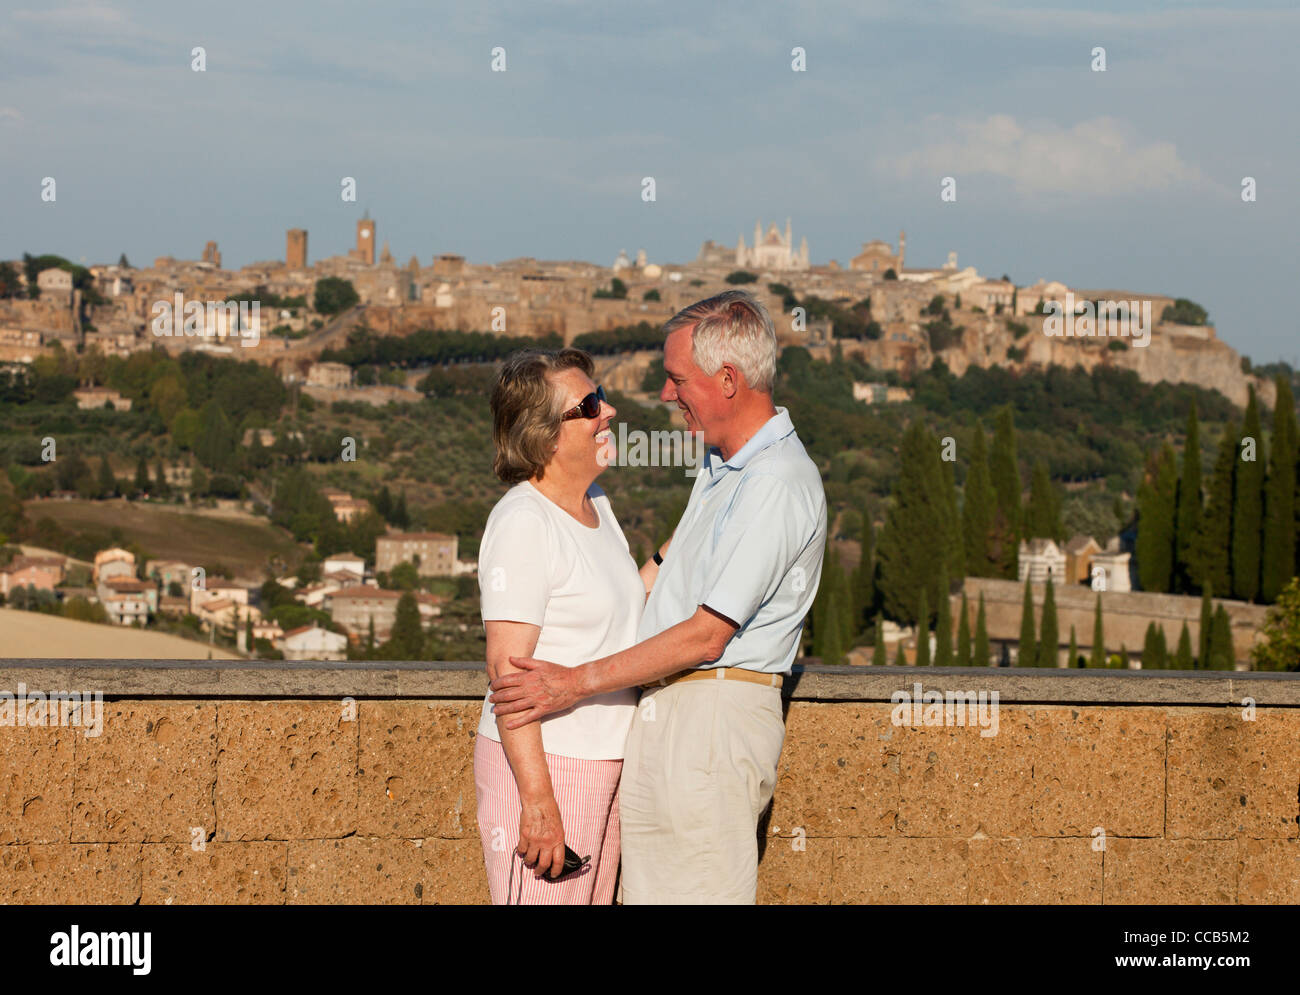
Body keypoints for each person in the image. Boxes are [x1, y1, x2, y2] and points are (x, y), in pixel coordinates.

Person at [489, 289, 827, 903]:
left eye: (676, 379)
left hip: (705, 724)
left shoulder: (773, 482)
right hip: (658, 729)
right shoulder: (723, 469)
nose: (664, 396)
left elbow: (707, 633)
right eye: (590, 403)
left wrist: (573, 683)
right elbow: (641, 594)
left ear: (726, 379)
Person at [473, 347, 668, 904]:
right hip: (552, 768)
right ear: (544, 435)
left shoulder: (596, 505)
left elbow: (617, 605)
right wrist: (537, 803)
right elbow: (507, 678)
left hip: (602, 761)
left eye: (600, 397)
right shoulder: (522, 523)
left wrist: (683, 545)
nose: (607, 412)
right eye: (589, 406)